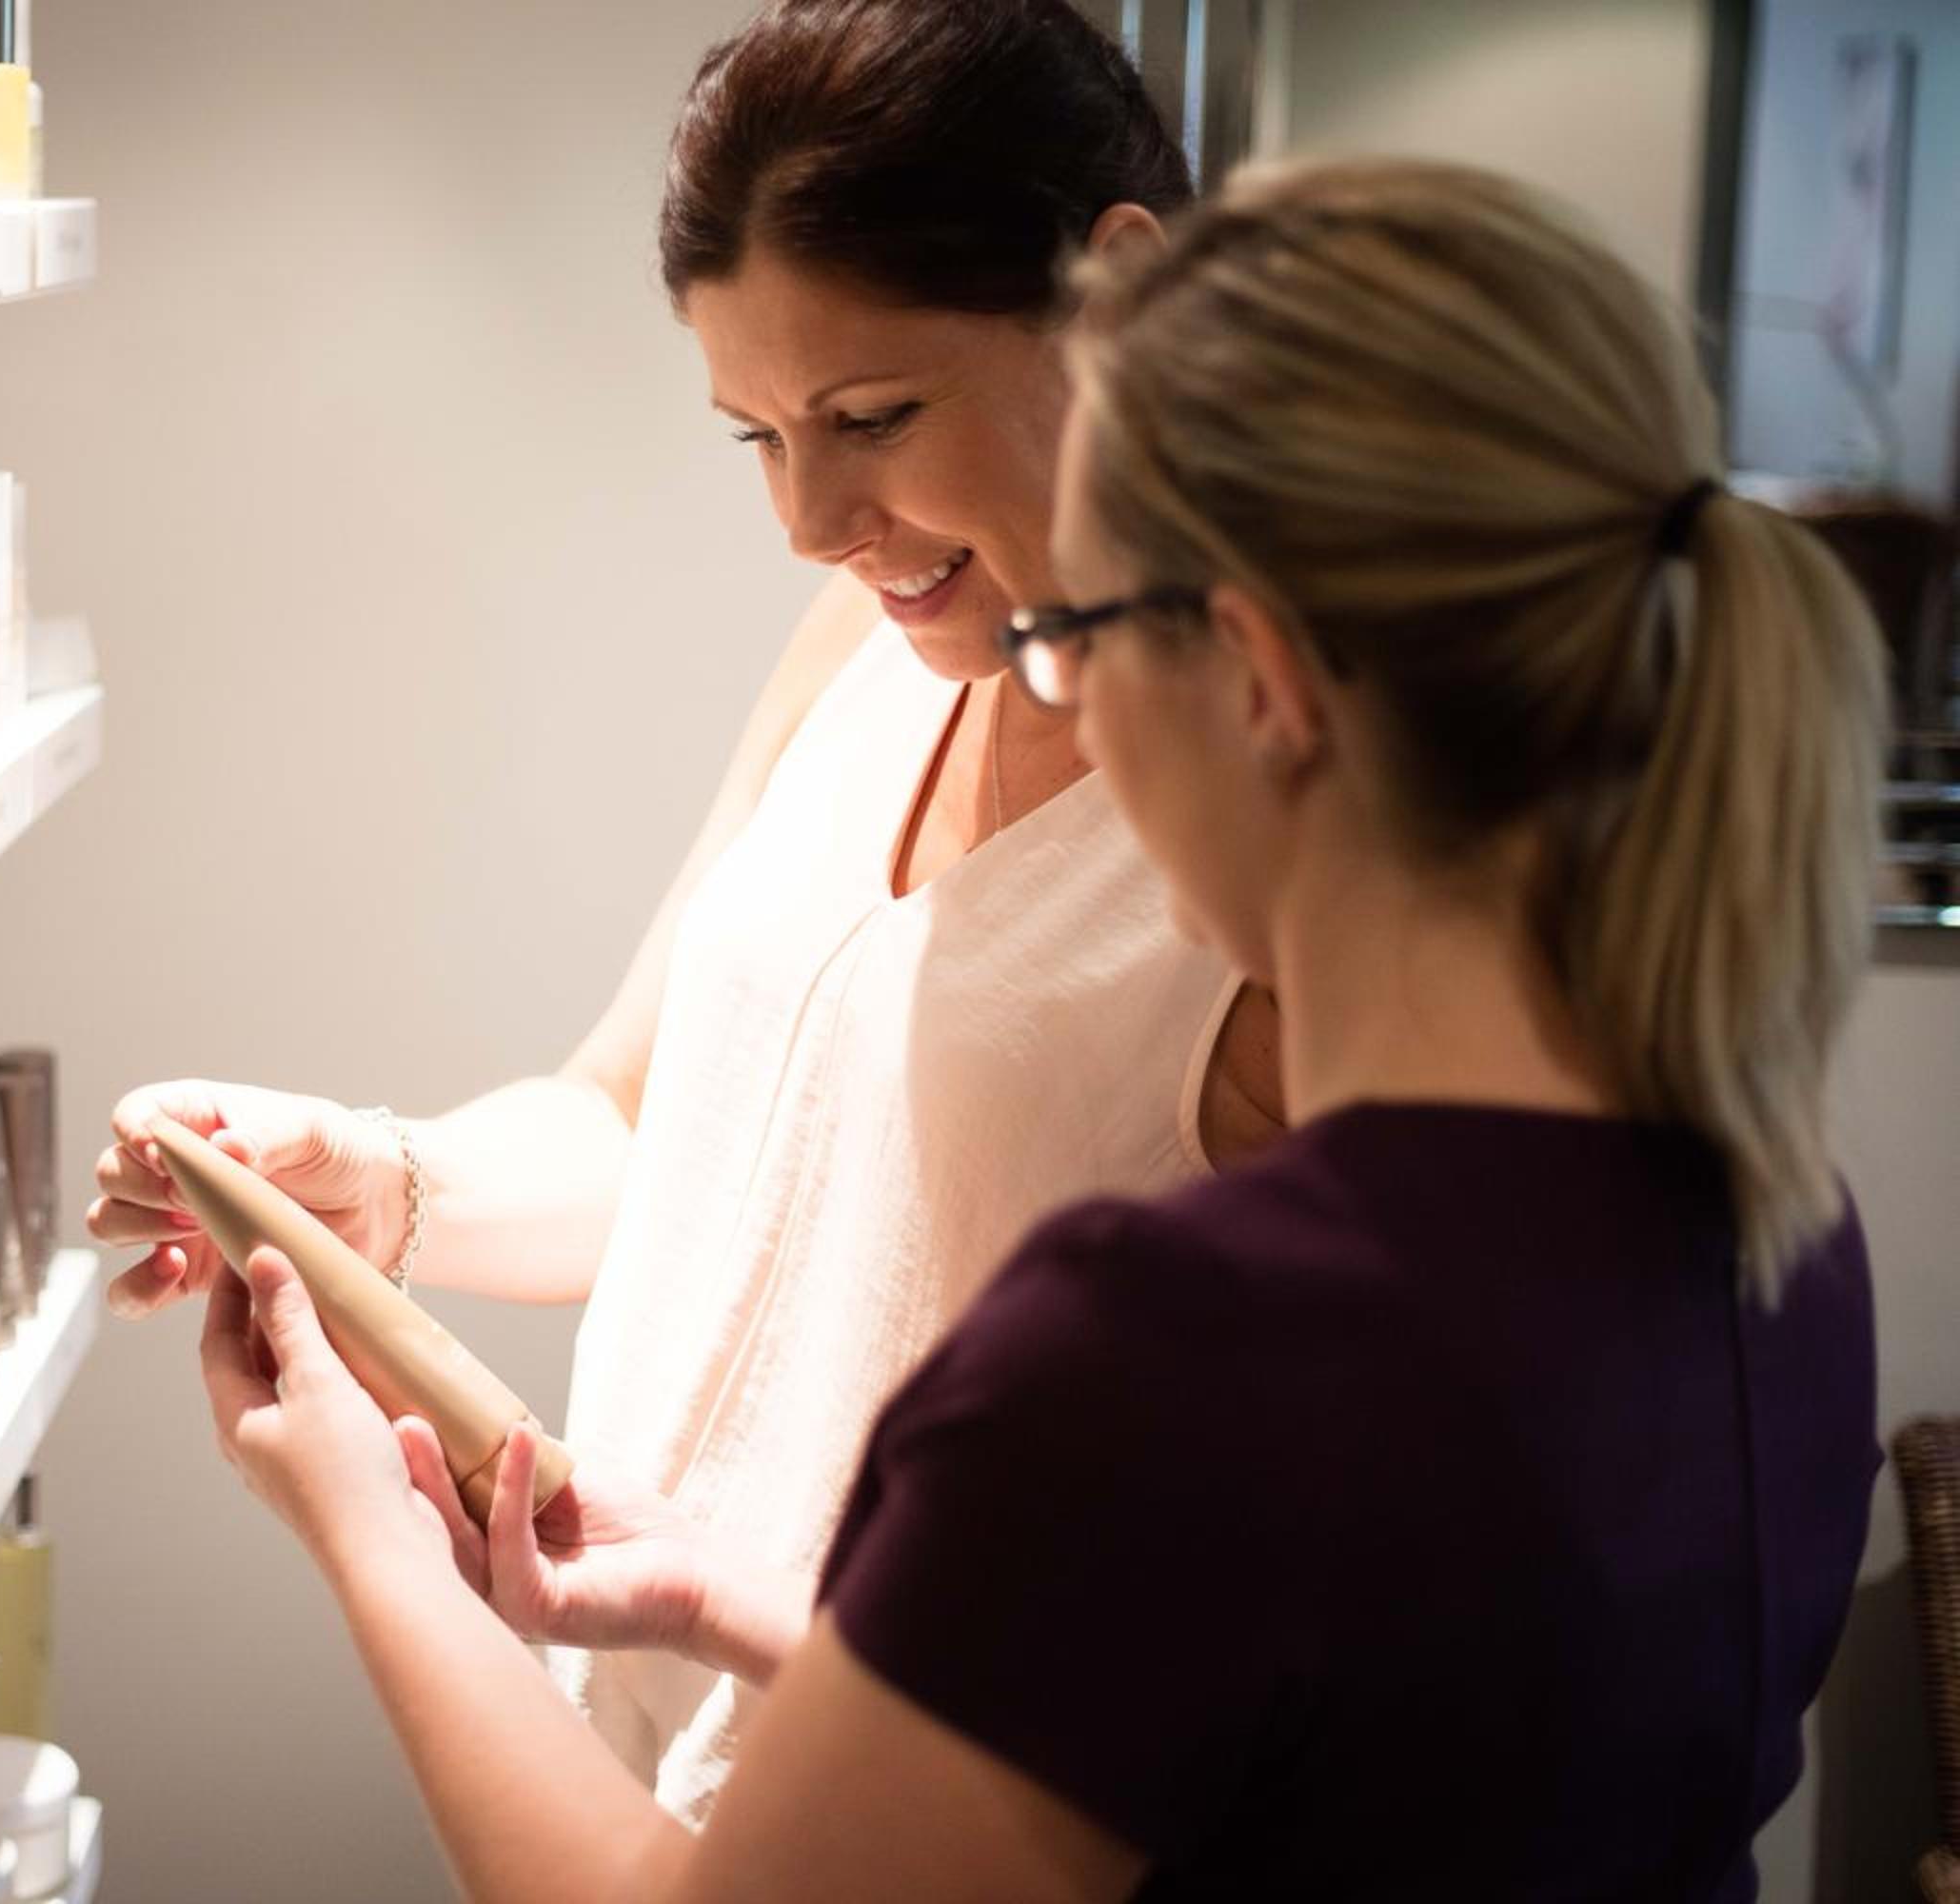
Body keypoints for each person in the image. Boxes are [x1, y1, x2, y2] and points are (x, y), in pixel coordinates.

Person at [194, 154, 1887, 1900]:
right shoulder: (1785, 1242)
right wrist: (716, 1598)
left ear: (1262, 682)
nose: (1059, 703)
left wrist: (372, 1532)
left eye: (1075, 638)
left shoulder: (1170, 1347)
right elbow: (1258, 1752)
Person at [91, 0, 1279, 1816]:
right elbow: (649, 1123)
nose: (811, 519)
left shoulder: (1271, 833)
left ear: (1117, 293)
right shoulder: (867, 649)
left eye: (871, 416)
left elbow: (1268, 1596)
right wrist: (378, 1181)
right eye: (759, 437)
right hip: (624, 1751)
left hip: (911, 1826)